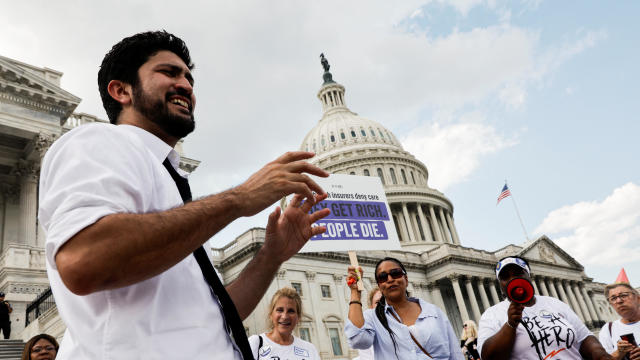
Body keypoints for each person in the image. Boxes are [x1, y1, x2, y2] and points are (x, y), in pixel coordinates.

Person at [38, 31, 331, 359]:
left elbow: (215, 318)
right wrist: (239, 198)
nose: (186, 85)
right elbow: (83, 261)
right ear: (121, 90)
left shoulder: (170, 187)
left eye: (189, 77)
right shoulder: (99, 142)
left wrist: (271, 256)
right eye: (169, 72)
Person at [477, 256, 613, 360]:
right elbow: (488, 356)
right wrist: (510, 325)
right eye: (505, 277)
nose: (512, 280)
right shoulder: (492, 315)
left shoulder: (555, 304)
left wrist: (600, 354)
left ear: (529, 277)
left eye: (518, 273)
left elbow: (584, 337)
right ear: (500, 286)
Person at [344, 257, 463, 360]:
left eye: (395, 273)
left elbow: (455, 354)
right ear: (380, 286)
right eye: (383, 277)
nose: (390, 279)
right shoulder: (373, 317)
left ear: (406, 279)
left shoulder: (434, 312)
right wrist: (355, 292)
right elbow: (358, 340)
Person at [248, 287, 320, 360]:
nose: (285, 316)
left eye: (291, 311)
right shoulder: (255, 343)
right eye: (280, 310)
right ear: (271, 314)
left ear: (298, 317)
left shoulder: (309, 349)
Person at [598, 282, 640, 359]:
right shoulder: (607, 330)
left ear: (638, 298)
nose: (619, 301)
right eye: (613, 298)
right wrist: (619, 353)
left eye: (623, 295)